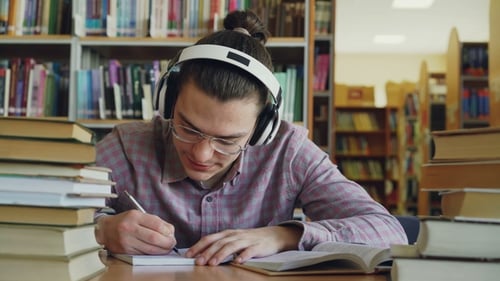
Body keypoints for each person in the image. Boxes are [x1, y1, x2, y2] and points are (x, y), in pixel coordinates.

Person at [94, 10, 407, 266]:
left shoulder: (288, 150)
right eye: (188, 128)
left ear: (262, 128)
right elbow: (48, 218)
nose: (202, 154)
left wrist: (284, 236)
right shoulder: (127, 147)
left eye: (227, 140)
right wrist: (101, 229)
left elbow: (389, 232)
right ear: (168, 101)